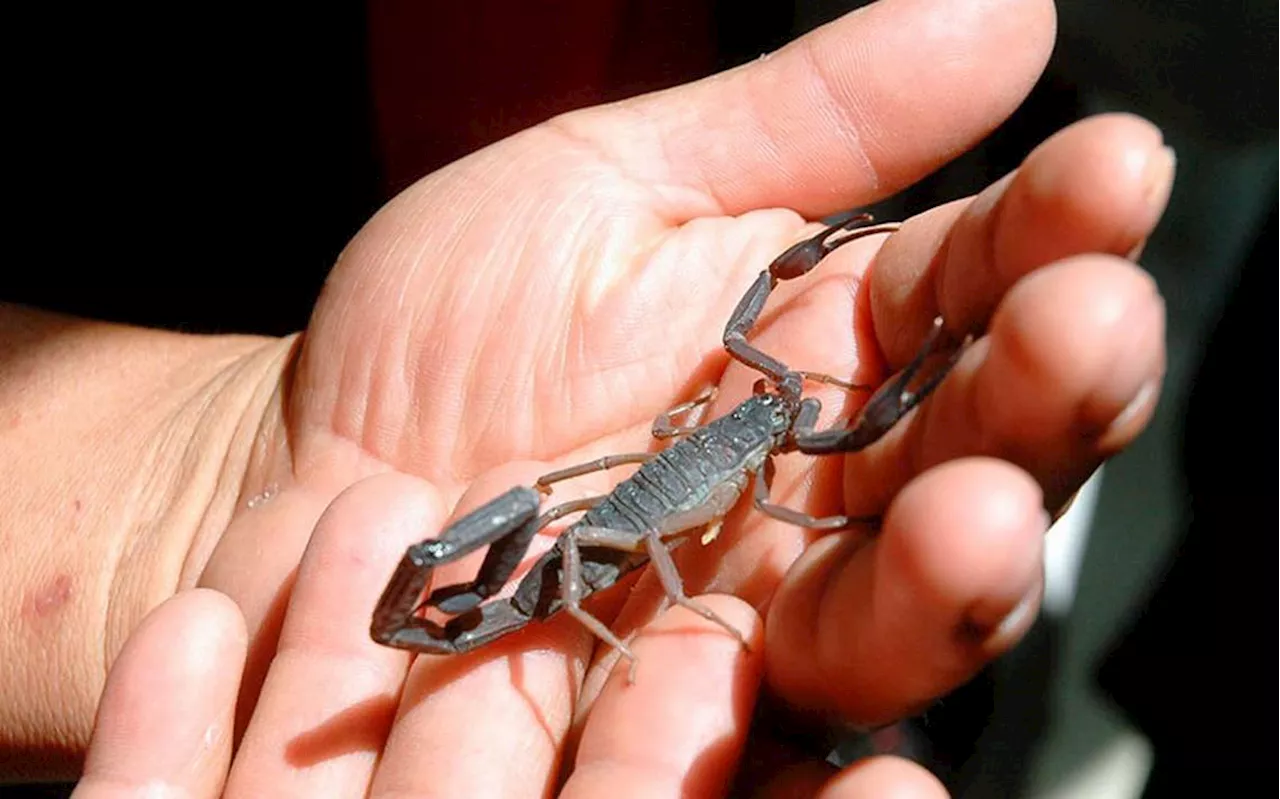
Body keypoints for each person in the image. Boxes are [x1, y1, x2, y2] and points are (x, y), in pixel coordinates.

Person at [0, 0, 1171, 795]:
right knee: (635, 526)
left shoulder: (743, 408)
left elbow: (735, 390)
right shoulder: (754, 437)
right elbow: (724, 500)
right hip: (606, 536)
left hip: (629, 502)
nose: (782, 406)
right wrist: (647, 595)